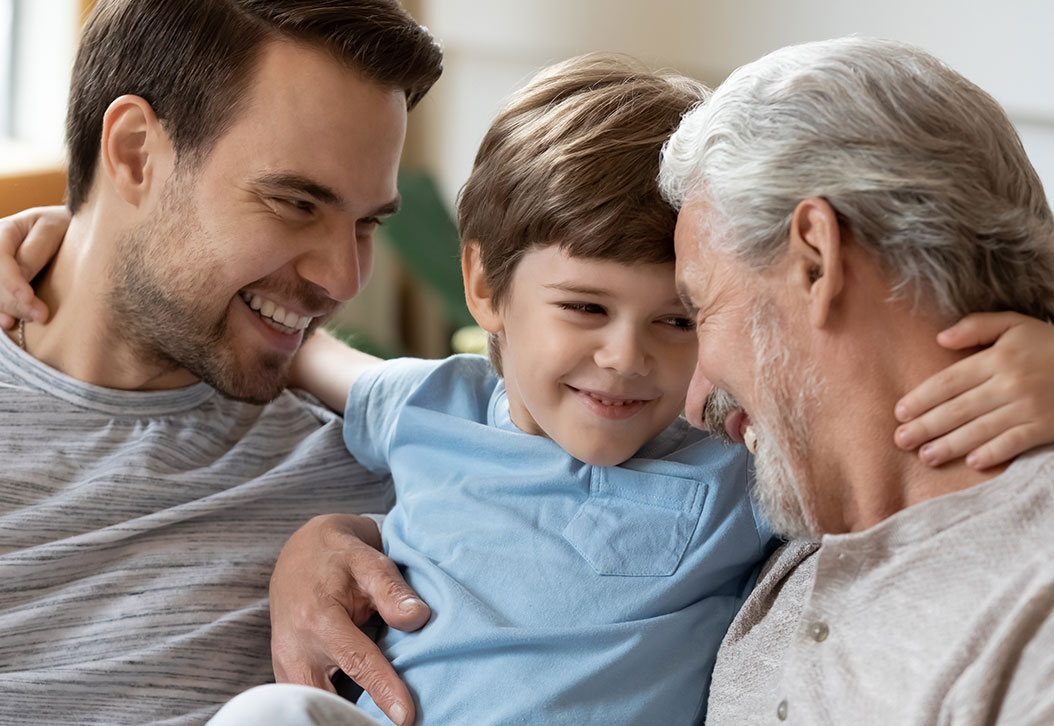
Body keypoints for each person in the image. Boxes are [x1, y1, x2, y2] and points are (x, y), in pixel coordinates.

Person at [5, 38, 1054, 726]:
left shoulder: (753, 480)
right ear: (486, 287)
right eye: (293, 202)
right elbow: (328, 362)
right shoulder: (423, 418)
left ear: (815, 262)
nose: (660, 373)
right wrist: (87, 242)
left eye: (687, 314)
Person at [0, 1, 441, 724]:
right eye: (295, 203)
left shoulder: (363, 486)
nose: (343, 279)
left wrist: (357, 525)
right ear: (135, 154)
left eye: (366, 223)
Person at [658, 36, 1054, 723]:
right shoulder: (782, 529)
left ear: (816, 261)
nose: (693, 404)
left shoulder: (1031, 606)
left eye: (698, 312)